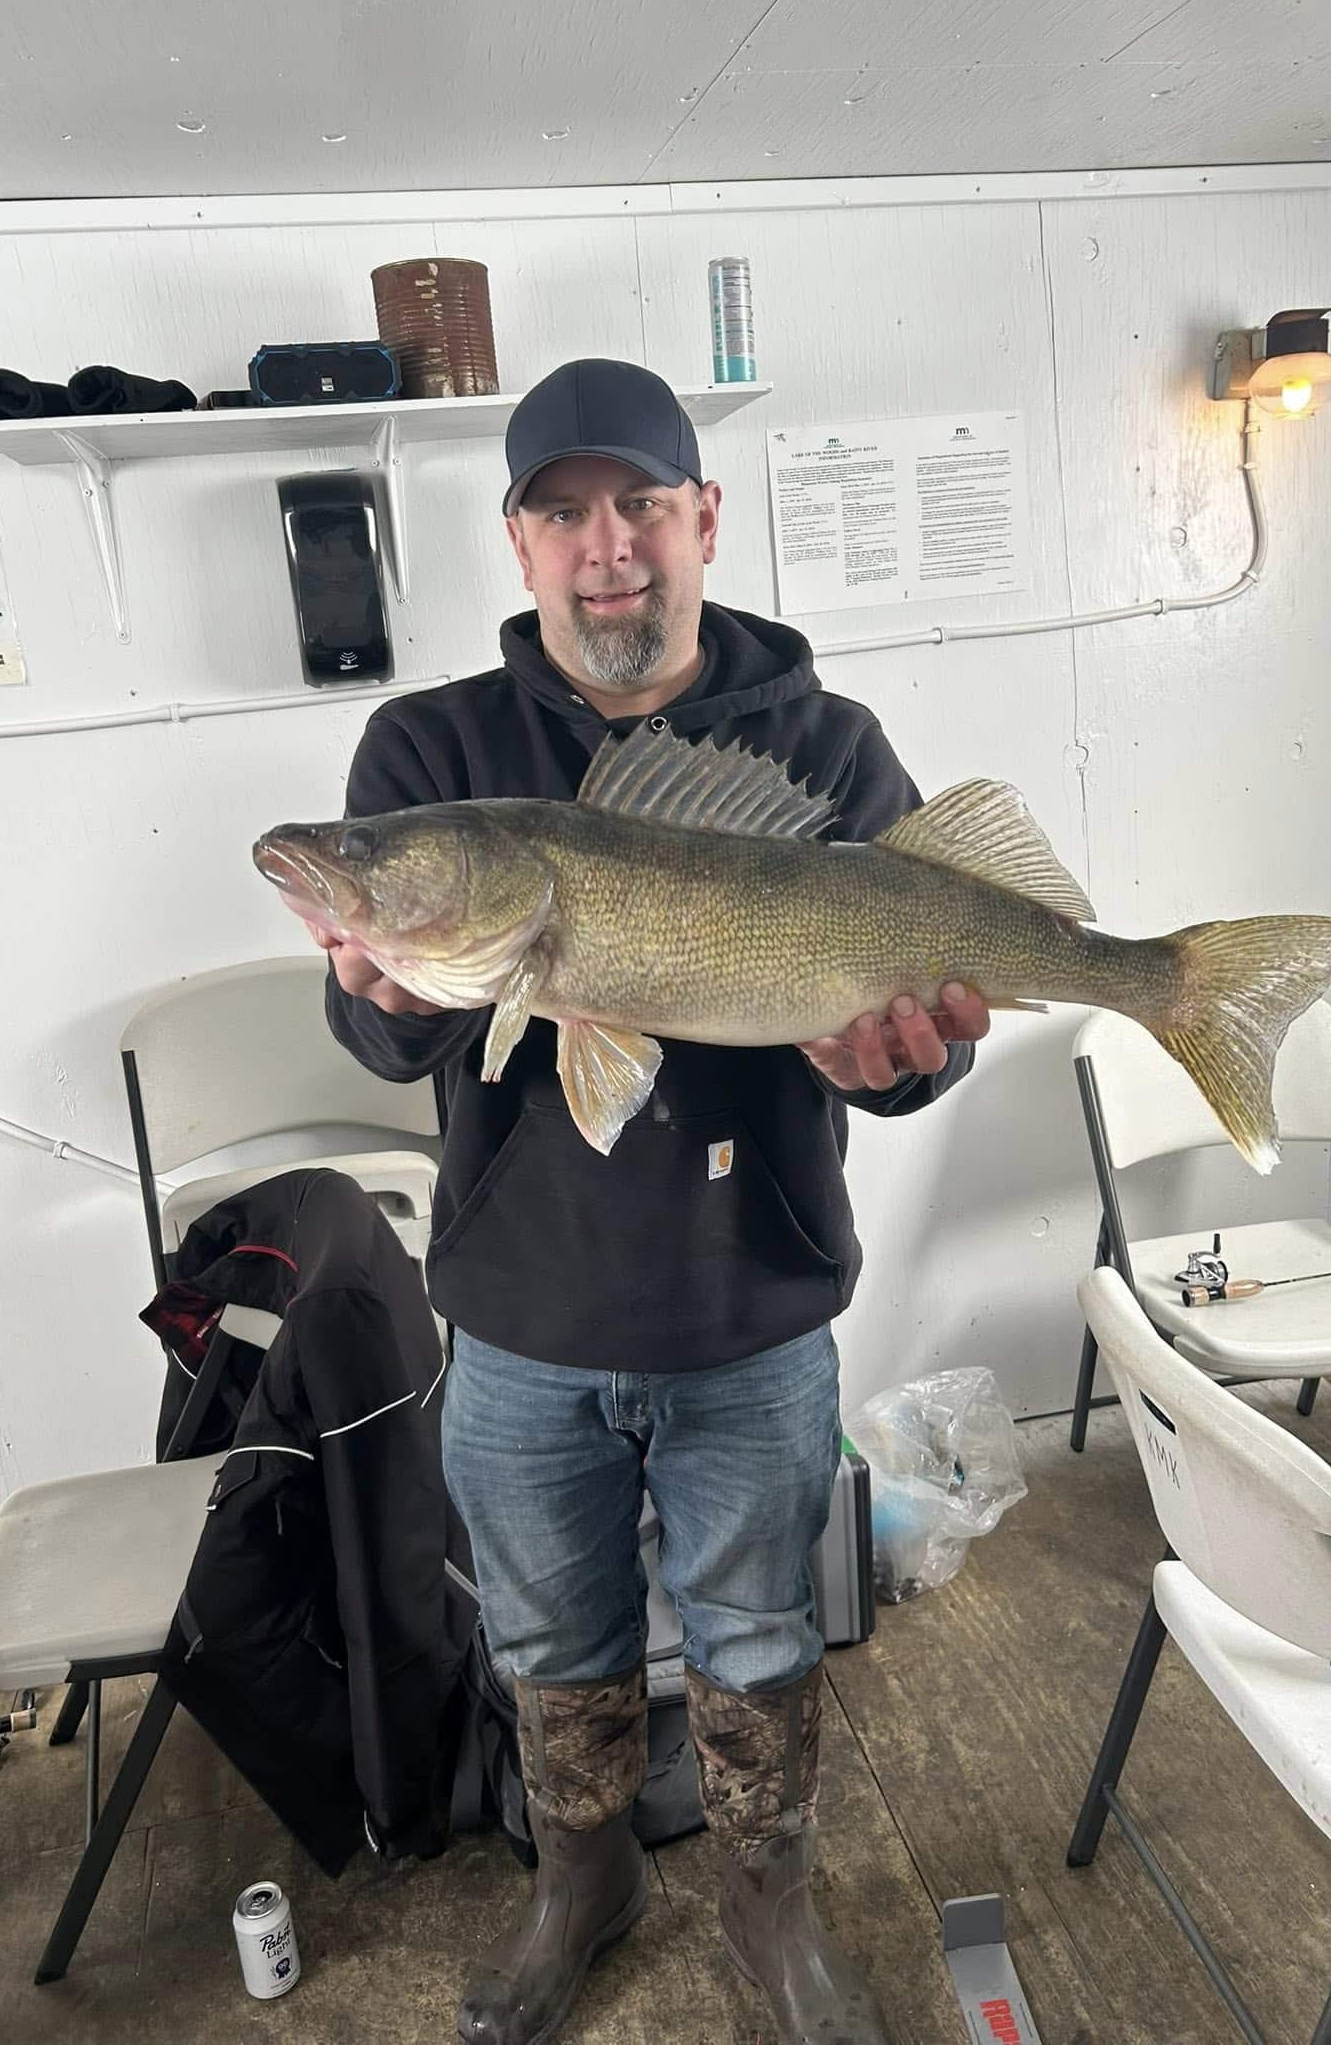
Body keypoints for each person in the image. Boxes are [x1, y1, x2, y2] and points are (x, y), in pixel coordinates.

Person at [307, 359, 987, 2045]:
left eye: (641, 505)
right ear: (519, 542)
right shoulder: (431, 750)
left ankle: (771, 1908)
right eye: (563, 512)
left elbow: (922, 1054)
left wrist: (896, 1065)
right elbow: (380, 1035)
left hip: (752, 1307)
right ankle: (582, 1882)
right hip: (521, 1320)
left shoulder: (829, 746)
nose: (606, 547)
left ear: (705, 518)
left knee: (761, 1633)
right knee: (550, 1641)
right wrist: (383, 979)